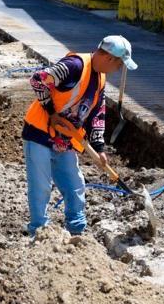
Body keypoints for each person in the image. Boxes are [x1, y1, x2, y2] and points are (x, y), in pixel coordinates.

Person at [21, 35, 138, 236]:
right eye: (119, 65)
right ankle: (38, 233)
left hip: (65, 138)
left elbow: (97, 112)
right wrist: (51, 112)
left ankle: (76, 231)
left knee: (75, 185)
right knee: (41, 186)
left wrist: (99, 147)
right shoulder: (74, 65)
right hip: (40, 132)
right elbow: (38, 80)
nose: (118, 70)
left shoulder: (100, 77)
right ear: (109, 58)